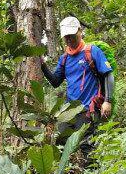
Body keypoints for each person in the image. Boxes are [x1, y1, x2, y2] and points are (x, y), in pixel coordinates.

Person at [40, 15, 115, 164]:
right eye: (66, 37)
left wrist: (108, 101)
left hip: (88, 108)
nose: (69, 39)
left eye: (71, 35)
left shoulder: (92, 51)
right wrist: (43, 66)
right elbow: (56, 81)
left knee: (87, 144)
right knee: (61, 141)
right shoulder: (65, 58)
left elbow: (108, 75)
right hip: (69, 110)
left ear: (80, 31)